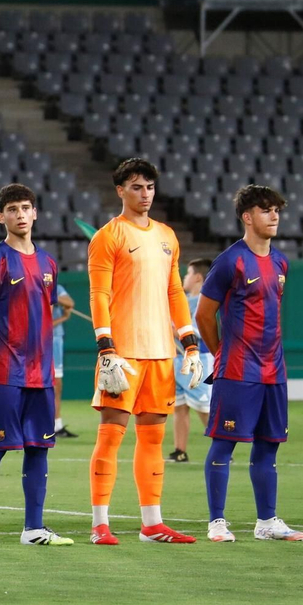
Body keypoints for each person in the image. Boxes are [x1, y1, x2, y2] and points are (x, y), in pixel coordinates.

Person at [86, 157, 203, 545]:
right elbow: (98, 293)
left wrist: (189, 341)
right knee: (111, 437)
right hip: (123, 354)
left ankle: (152, 524)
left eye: (150, 186)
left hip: (160, 354)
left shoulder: (168, 235)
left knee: (153, 440)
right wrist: (105, 345)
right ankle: (99, 523)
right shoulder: (108, 236)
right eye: (136, 187)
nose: (145, 193)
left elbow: (175, 293)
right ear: (120, 191)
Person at [193, 185, 303, 543]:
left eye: (276, 210)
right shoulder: (230, 261)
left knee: (268, 446)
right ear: (247, 216)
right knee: (224, 444)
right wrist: (221, 353)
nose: (274, 216)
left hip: (274, 370)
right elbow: (204, 314)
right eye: (265, 210)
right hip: (238, 370)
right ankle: (217, 522)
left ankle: (267, 522)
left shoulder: (280, 262)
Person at [0, 183, 72, 546]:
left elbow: (44, 312)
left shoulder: (48, 263)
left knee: (38, 449)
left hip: (40, 374)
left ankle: (34, 529)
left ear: (35, 213)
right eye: (13, 209)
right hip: (4, 373)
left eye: (26, 208)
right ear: (1, 217)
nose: (21, 214)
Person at [169, 258, 216, 463]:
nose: (184, 278)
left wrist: (172, 329)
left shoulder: (204, 302)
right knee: (180, 406)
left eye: (187, 274)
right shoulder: (185, 300)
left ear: (198, 277)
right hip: (179, 359)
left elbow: (196, 333)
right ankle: (180, 450)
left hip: (198, 359)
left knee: (203, 407)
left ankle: (221, 448)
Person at [52, 289, 76, 438]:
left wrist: (53, 296)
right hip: (42, 342)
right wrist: (64, 317)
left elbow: (69, 302)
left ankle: (56, 425)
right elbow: (44, 325)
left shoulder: (55, 286)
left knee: (57, 386)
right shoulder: (32, 288)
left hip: (55, 341)